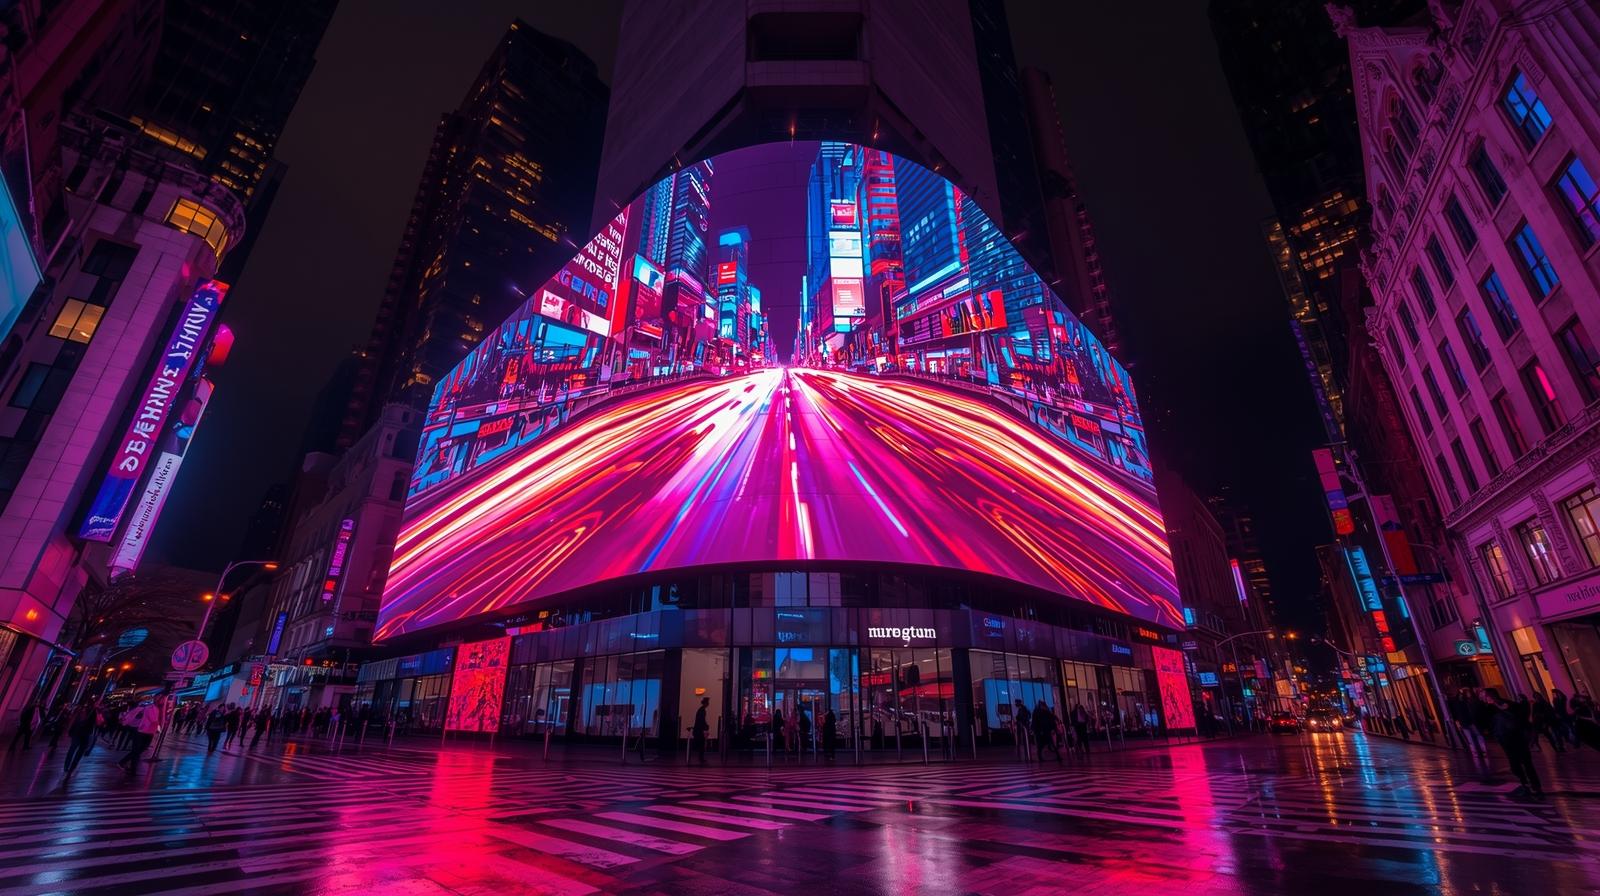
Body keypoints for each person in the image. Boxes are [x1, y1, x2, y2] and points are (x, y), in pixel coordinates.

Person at [1486, 688, 1542, 799]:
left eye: (1486, 696)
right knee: (1517, 765)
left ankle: (1533, 786)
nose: (1485, 698)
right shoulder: (1490, 709)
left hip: (1516, 738)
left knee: (1525, 763)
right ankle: (1528, 785)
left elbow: (1518, 714)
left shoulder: (1505, 705)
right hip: (1507, 740)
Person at [118, 700, 163, 772]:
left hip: (147, 731)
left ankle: (125, 763)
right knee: (137, 750)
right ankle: (131, 768)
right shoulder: (148, 708)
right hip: (141, 731)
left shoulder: (157, 709)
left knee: (139, 750)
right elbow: (153, 720)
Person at [62, 703, 99, 777]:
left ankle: (68, 767)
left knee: (73, 749)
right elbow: (98, 722)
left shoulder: (83, 711)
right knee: (78, 751)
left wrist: (70, 731)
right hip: (84, 734)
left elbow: (75, 721)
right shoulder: (92, 712)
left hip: (79, 732)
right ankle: (71, 767)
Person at [691, 697, 710, 765]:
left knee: (700, 744)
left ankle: (701, 758)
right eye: (707, 702)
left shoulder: (701, 710)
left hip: (698, 730)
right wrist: (706, 726)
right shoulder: (702, 710)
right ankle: (701, 758)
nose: (708, 704)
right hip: (699, 730)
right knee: (701, 744)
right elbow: (701, 720)